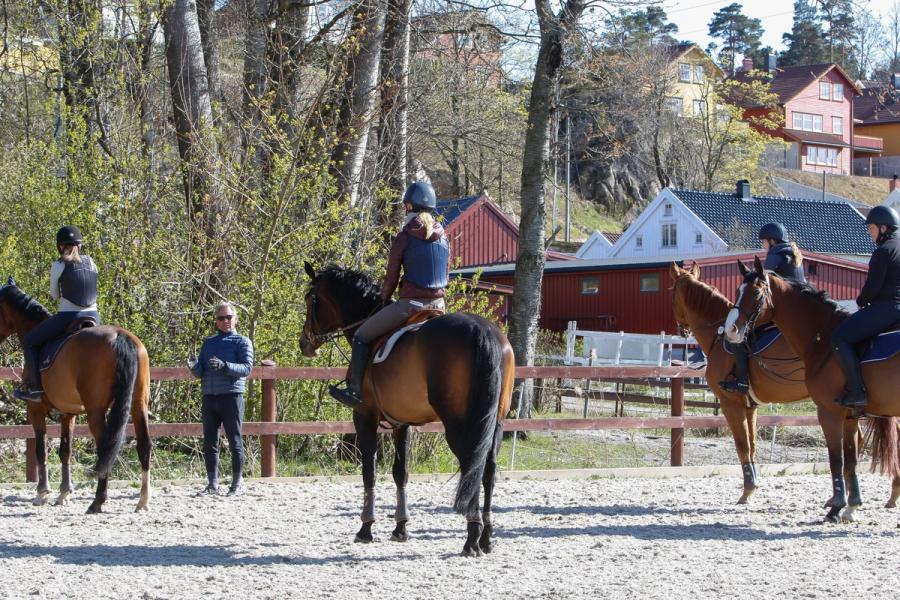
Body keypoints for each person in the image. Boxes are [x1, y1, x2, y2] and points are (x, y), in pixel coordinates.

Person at [328, 181, 449, 407]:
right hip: (439, 306)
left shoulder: (404, 236)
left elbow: (391, 276)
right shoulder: (444, 237)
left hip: (410, 306)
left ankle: (354, 391)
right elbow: (446, 276)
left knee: (361, 337)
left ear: (409, 206)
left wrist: (384, 298)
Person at [15, 226, 100, 401]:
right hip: (94, 316)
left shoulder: (58, 265)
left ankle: (36, 390)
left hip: (68, 316)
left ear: (60, 246)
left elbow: (54, 295)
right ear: (79, 245)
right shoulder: (91, 262)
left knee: (30, 342)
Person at [719, 223, 806, 394]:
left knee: (739, 334)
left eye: (764, 242)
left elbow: (760, 279)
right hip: (800, 310)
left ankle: (742, 381)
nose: (763, 246)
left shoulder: (776, 254)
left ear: (772, 241)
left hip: (783, 311)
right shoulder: (793, 253)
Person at [830, 205, 900, 409]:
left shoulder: (884, 251)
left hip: (886, 309)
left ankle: (857, 391)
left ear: (884, 228)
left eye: (871, 229)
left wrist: (860, 301)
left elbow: (872, 288)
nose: (870, 233)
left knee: (839, 337)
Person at [189, 302, 254, 495]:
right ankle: (212, 484)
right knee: (209, 442)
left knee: (235, 440)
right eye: (221, 318)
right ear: (216, 321)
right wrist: (193, 367)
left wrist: (225, 366)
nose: (225, 321)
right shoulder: (208, 343)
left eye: (229, 317)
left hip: (231, 396)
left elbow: (246, 368)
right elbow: (201, 372)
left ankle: (236, 484)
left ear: (236, 319)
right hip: (209, 397)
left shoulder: (243, 342)